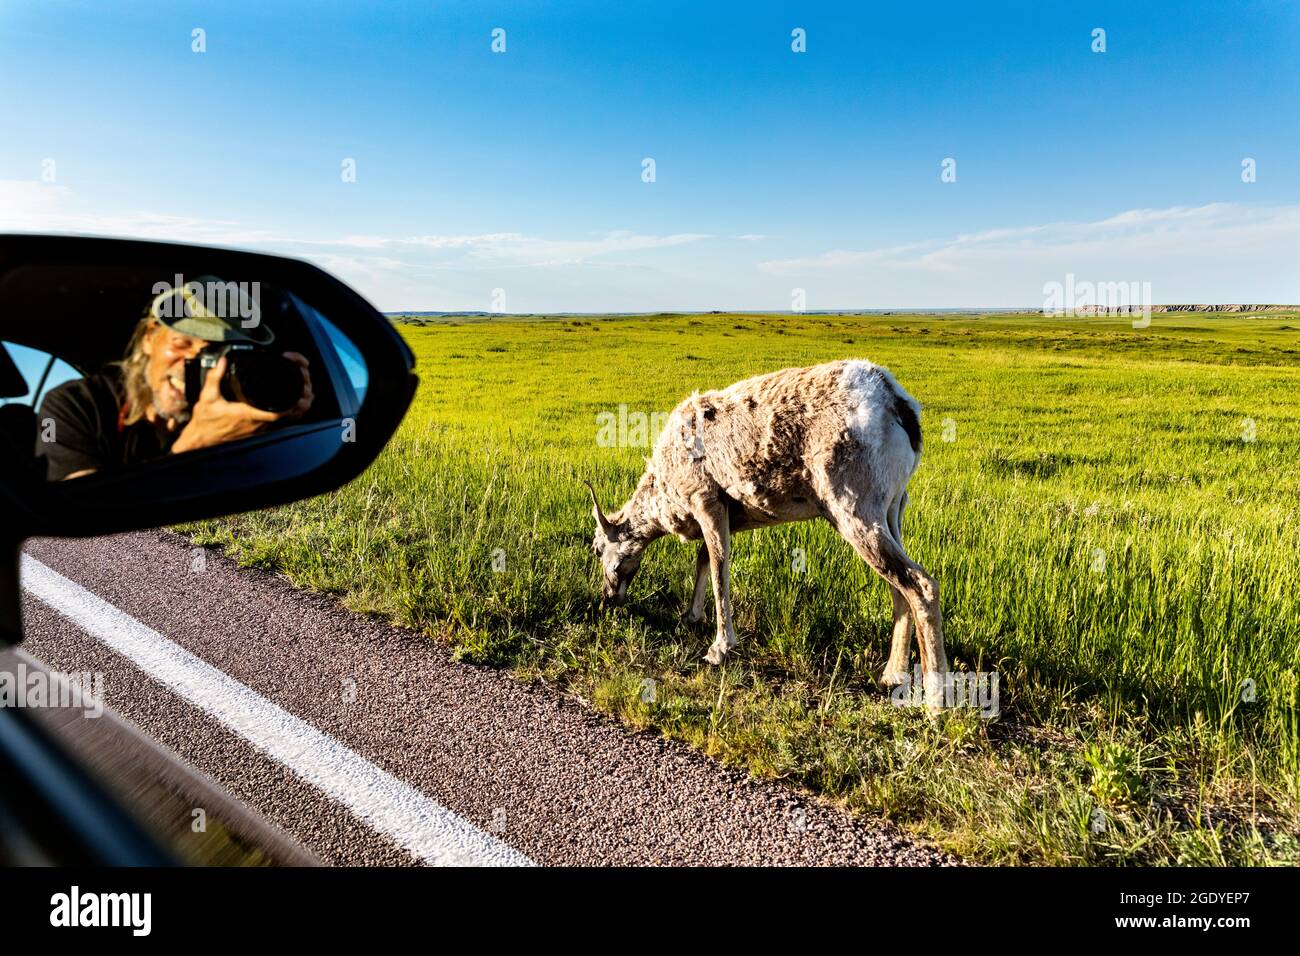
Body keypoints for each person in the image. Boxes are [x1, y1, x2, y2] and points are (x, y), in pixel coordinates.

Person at [36, 281, 313, 481]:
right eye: (182, 343)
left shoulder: (242, 416)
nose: (189, 362)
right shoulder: (76, 405)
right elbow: (81, 511)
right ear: (148, 339)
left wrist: (278, 418)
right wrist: (194, 446)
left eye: (214, 353)